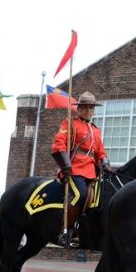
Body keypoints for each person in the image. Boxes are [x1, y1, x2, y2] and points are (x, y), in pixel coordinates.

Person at [51, 91, 115, 247]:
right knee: (80, 194)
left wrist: (105, 163)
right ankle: (65, 231)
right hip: (75, 168)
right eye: (85, 108)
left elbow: (100, 151)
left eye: (91, 108)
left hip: (92, 171)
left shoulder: (95, 130)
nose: (88, 111)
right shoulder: (70, 123)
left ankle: (84, 230)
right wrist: (66, 166)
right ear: (78, 109)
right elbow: (58, 144)